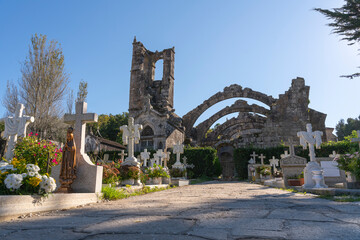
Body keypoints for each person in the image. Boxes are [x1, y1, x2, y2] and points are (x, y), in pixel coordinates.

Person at [57, 127, 77, 193]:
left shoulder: (72, 144)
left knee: (68, 168)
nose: (68, 137)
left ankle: (68, 180)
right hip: (65, 159)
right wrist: (65, 148)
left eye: (69, 136)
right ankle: (63, 180)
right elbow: (64, 151)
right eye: (67, 136)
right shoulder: (66, 143)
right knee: (64, 168)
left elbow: (73, 150)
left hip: (69, 159)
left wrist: (68, 147)